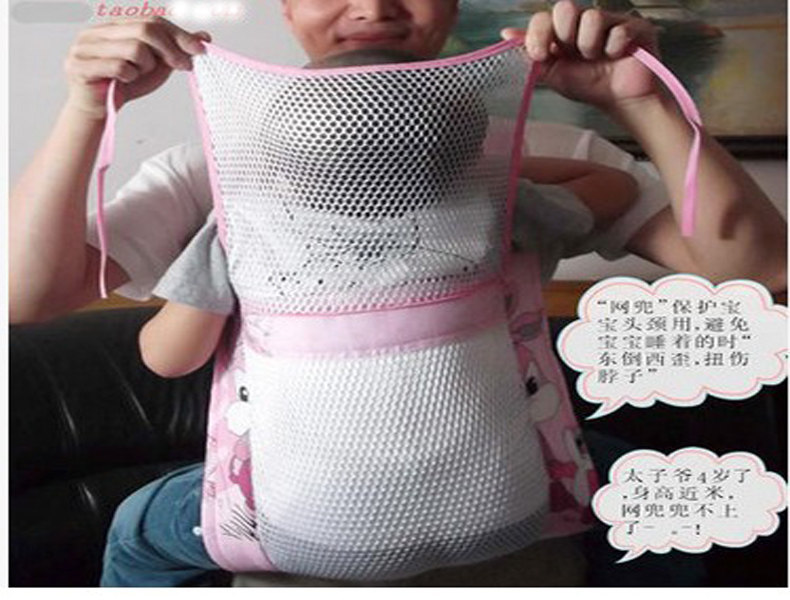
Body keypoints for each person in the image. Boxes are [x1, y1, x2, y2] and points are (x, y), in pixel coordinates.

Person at [8, 0, 785, 587]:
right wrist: (86, 108)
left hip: (364, 508)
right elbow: (19, 295)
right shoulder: (513, 191)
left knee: (140, 528)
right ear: (286, 7)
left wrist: (642, 99)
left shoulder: (240, 202)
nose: (375, 6)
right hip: (507, 492)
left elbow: (761, 272)